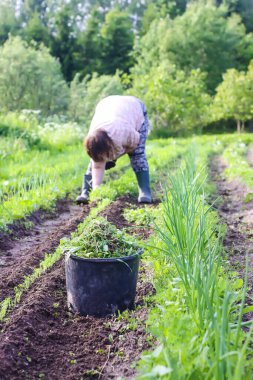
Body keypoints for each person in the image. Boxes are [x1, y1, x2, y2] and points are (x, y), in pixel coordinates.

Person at [76, 95, 152, 204]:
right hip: (108, 106)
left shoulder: (124, 133)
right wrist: (97, 188)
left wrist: (113, 159)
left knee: (137, 155)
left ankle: (145, 191)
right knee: (97, 158)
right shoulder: (93, 138)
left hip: (134, 108)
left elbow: (134, 146)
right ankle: (86, 192)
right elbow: (97, 164)